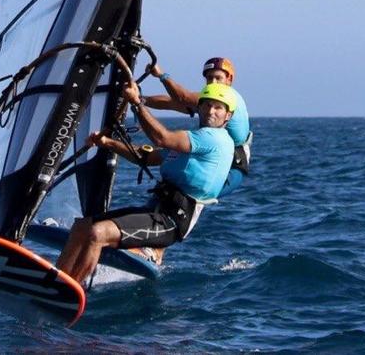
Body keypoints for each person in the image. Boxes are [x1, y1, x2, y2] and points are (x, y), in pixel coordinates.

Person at [55, 81, 236, 284]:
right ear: (199, 108)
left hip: (172, 221)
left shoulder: (214, 139)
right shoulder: (194, 140)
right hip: (154, 211)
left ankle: (70, 289)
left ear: (227, 115)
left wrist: (137, 104)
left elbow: (161, 138)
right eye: (206, 105)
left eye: (218, 107)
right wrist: (106, 143)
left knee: (98, 233)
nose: (211, 111)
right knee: (81, 227)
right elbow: (148, 157)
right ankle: (56, 280)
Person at [145, 56, 252, 194]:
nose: (213, 82)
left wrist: (161, 75)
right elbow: (172, 103)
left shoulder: (228, 98)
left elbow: (182, 97)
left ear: (229, 80)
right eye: (209, 78)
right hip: (213, 154)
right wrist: (142, 100)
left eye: (218, 78)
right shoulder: (211, 101)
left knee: (189, 193)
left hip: (234, 165)